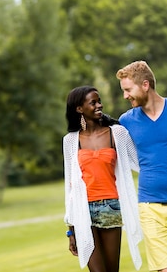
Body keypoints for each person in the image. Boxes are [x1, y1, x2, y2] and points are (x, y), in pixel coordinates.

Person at [116, 61, 167, 272]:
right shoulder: (126, 121)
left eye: (128, 90)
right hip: (149, 205)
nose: (125, 96)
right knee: (164, 269)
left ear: (145, 85)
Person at [63, 86, 143, 272]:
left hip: (111, 208)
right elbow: (71, 187)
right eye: (94, 102)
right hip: (83, 212)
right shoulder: (70, 141)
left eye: (99, 101)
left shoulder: (117, 134)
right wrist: (71, 228)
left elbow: (141, 163)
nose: (100, 105)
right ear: (79, 109)